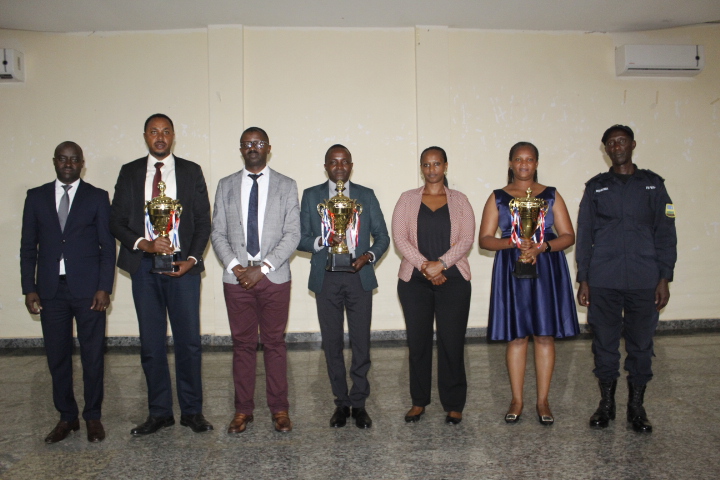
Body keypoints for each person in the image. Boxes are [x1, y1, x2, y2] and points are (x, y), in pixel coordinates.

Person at [110, 113, 213, 435]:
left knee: (189, 342)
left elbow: (203, 221)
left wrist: (192, 259)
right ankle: (159, 412)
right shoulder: (129, 172)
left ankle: (192, 412)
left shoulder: (190, 171)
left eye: (166, 132)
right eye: (154, 131)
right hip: (144, 267)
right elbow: (116, 221)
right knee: (151, 344)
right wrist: (145, 244)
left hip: (183, 268)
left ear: (173, 136)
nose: (160, 137)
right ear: (145, 136)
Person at [576, 125, 677, 433]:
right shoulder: (596, 187)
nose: (616, 147)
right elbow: (585, 235)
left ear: (632, 144)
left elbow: (666, 233)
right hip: (603, 279)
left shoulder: (653, 185)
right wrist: (584, 278)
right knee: (604, 345)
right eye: (610, 143)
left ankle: (637, 407)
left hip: (645, 279)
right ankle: (606, 404)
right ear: (605, 149)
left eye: (621, 141)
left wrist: (665, 277)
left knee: (641, 345)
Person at [20, 141, 116, 443]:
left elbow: (107, 248)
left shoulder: (97, 197)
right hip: (50, 291)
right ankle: (66, 417)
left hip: (89, 291)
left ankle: (93, 417)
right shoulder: (36, 197)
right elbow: (27, 247)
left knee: (92, 356)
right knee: (57, 357)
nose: (68, 164)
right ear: (54, 161)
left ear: (82, 164)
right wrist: (29, 288)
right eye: (63, 159)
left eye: (74, 159)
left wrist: (104, 287)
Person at [479, 141, 579, 426]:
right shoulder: (498, 197)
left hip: (546, 266)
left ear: (536, 163)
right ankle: (517, 400)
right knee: (517, 336)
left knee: (545, 335)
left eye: (530, 159)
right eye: (519, 159)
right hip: (512, 268)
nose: (524, 164)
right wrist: (511, 243)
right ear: (510, 163)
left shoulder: (551, 195)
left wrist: (542, 247)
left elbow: (568, 236)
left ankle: (543, 401)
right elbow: (484, 239)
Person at [211, 127, 301, 434]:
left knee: (275, 344)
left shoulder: (286, 185)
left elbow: (293, 233)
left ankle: (280, 409)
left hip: (274, 276)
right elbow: (217, 232)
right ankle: (242, 411)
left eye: (258, 143)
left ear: (268, 148)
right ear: (241, 149)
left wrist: (262, 268)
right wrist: (237, 268)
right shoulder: (225, 185)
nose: (253, 147)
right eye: (247, 143)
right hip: (236, 278)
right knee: (242, 345)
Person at [298, 144, 390, 429]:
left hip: (358, 276)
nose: (339, 166)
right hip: (326, 277)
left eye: (344, 161)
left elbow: (383, 237)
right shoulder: (311, 196)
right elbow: (300, 238)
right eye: (333, 162)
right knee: (332, 344)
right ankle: (341, 402)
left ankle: (359, 403)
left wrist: (367, 257)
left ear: (351, 165)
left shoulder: (366, 195)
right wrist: (323, 240)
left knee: (361, 343)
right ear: (325, 166)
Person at [392, 146, 475, 425]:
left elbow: (467, 239)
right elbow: (400, 238)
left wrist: (441, 264)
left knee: (452, 343)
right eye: (426, 165)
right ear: (421, 168)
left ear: (445, 166)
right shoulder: (407, 199)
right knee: (418, 343)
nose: (432, 169)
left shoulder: (460, 200)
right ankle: (419, 401)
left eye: (437, 164)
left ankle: (453, 404)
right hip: (415, 281)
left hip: (454, 280)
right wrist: (425, 267)